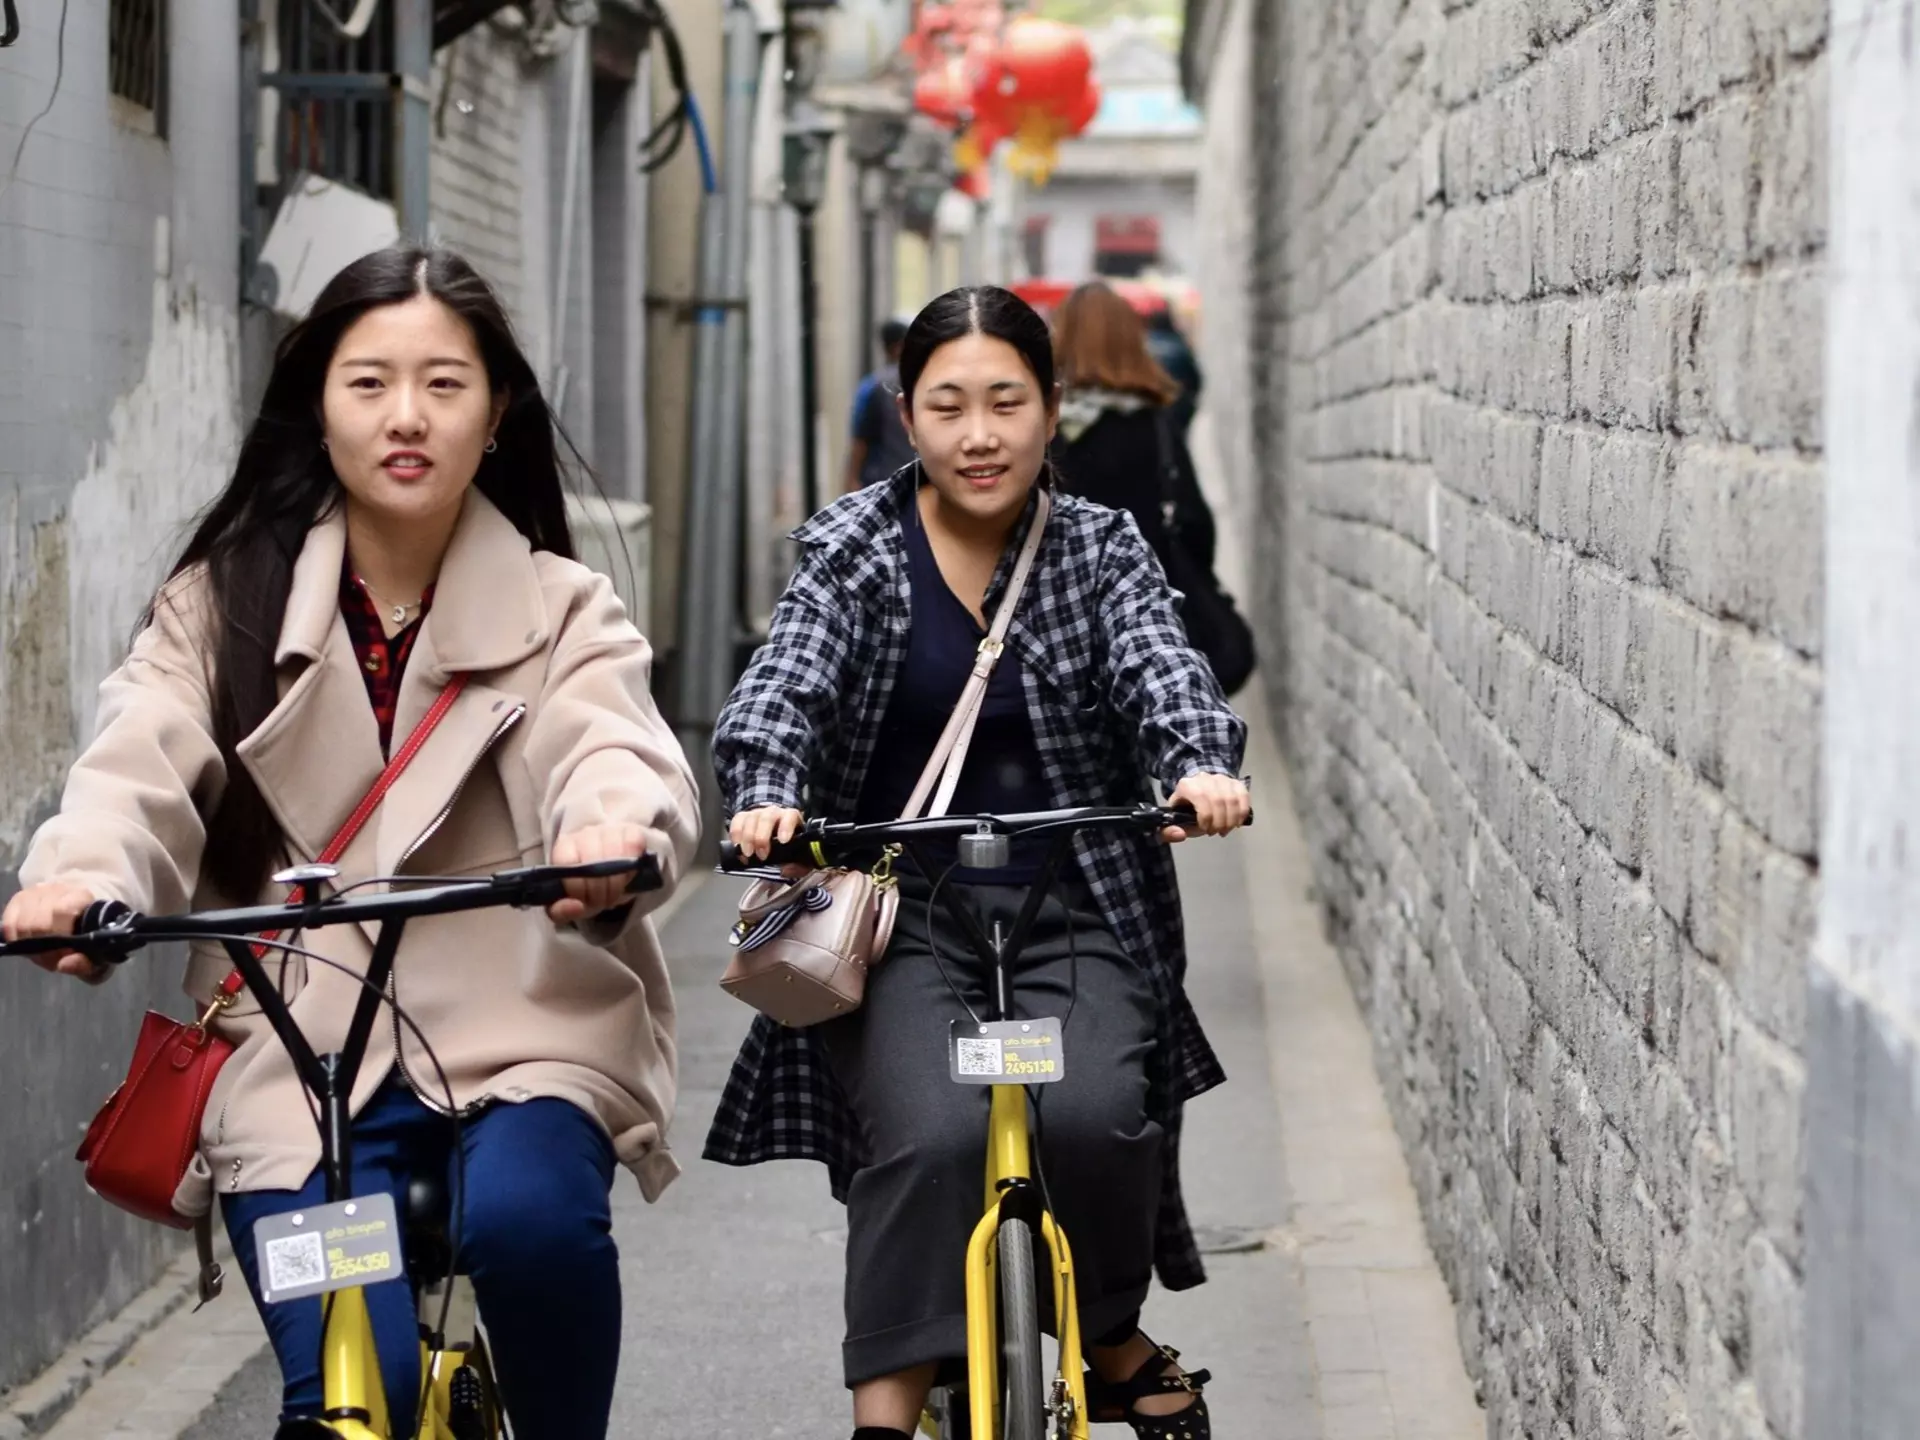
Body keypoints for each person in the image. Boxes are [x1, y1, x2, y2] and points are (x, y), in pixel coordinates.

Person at [2, 246, 700, 1440]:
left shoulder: (564, 608)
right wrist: (82, 874)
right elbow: (141, 757)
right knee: (343, 1380)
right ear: (316, 407)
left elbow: (612, 740)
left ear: (496, 415)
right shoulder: (219, 605)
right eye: (368, 383)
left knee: (534, 1230)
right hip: (299, 1054)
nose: (407, 417)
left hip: (520, 1031)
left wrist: (610, 828)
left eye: (444, 383)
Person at [707, 284, 1250, 1440]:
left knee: (1103, 1116)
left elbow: (1166, 667)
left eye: (1007, 401)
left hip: (1078, 902)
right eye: (948, 404)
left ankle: (1103, 1334)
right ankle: (883, 1419)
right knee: (933, 1133)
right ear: (908, 416)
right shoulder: (855, 546)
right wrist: (767, 792)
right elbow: (784, 683)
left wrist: (1198, 764)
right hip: (901, 916)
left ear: (1053, 409)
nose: (980, 433)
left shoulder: (1102, 548)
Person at [846, 316, 918, 491]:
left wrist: (851, 480)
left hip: (881, 481)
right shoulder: (920, 380)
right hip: (917, 477)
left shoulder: (871, 385)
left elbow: (860, 439)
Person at [1143, 304, 1203, 440]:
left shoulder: (1144, 348)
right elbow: (1195, 379)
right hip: (1179, 405)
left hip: (1153, 408)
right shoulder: (1179, 346)